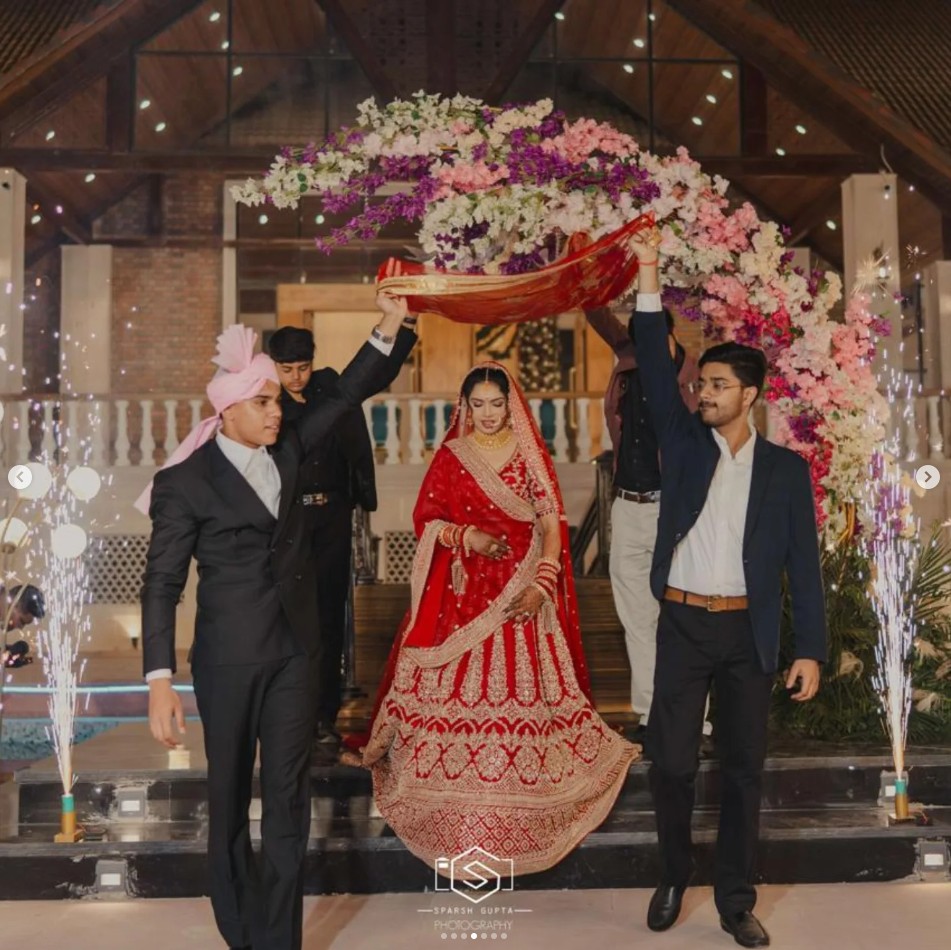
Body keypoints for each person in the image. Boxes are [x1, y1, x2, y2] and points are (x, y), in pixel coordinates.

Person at [138, 293, 414, 950]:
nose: (276, 410)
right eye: (263, 401)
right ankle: (239, 930)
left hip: (296, 654)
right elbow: (162, 583)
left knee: (288, 802)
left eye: (276, 401)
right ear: (227, 409)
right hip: (227, 659)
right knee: (230, 798)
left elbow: (346, 394)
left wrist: (390, 324)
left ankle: (277, 940)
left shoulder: (287, 447)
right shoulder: (186, 482)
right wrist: (157, 678)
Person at [358, 362, 639, 877]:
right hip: (462, 592)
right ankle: (451, 801)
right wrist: (467, 539)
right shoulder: (452, 456)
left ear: (512, 405)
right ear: (464, 407)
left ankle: (525, 793)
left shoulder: (532, 452)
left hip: (522, 589)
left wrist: (542, 584)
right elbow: (429, 520)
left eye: (496, 403)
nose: (488, 414)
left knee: (529, 698)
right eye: (478, 404)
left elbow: (552, 524)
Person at [629, 229, 827, 949]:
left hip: (749, 635)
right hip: (683, 627)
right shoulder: (682, 443)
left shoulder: (784, 472)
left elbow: (800, 567)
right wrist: (649, 273)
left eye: (715, 385)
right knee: (672, 764)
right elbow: (654, 366)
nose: (701, 393)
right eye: (700, 384)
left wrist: (808, 648)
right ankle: (674, 872)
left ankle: (735, 899)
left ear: (748, 394)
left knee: (742, 772)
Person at [268, 321, 417, 752]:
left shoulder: (330, 387)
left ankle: (323, 720)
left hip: (333, 516)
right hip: (291, 523)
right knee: (297, 624)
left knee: (332, 619)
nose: (296, 376)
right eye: (287, 369)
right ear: (273, 367)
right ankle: (292, 717)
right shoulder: (267, 402)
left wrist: (404, 326)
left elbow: (375, 373)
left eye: (303, 366)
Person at [585, 306, 713, 748]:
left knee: (679, 612)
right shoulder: (627, 359)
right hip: (627, 503)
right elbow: (598, 317)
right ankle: (649, 710)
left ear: (670, 336)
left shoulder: (689, 373)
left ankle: (695, 718)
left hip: (672, 507)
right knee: (636, 615)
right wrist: (586, 269)